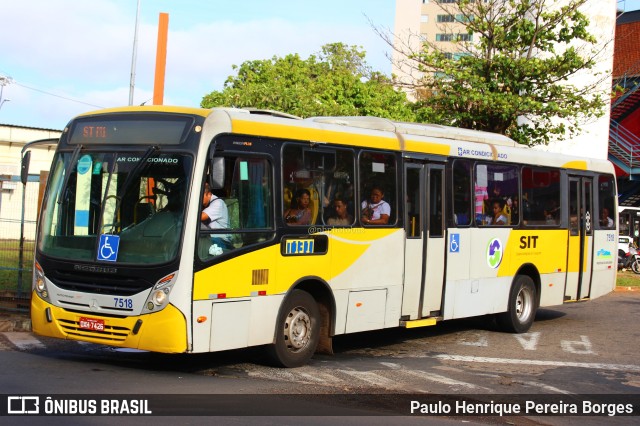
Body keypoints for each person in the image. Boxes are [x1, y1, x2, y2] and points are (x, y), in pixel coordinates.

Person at [201, 182, 232, 251]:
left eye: (200, 196)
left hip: (221, 241)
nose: (198, 199)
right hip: (211, 238)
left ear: (209, 194)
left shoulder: (218, 203)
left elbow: (201, 217)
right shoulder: (205, 205)